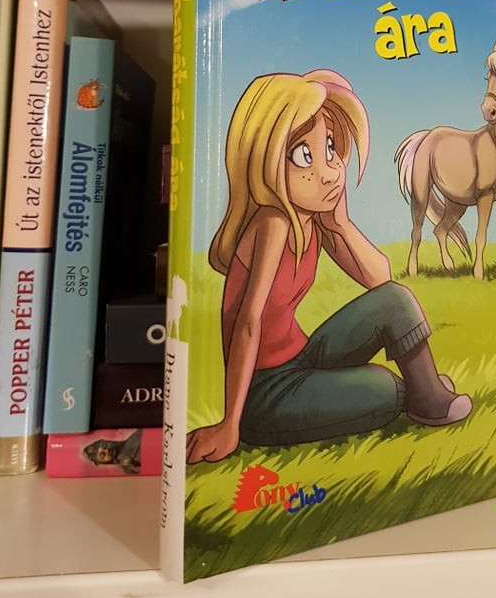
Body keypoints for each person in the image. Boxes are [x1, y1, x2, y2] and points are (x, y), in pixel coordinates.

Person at [185, 69, 472, 465]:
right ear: (265, 160)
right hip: (265, 395)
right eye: (304, 155)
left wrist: (340, 223)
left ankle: (428, 396)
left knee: (396, 300)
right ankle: (421, 391)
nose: (328, 170)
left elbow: (381, 280)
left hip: (302, 358)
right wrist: (229, 423)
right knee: (385, 388)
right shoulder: (273, 222)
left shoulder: (314, 220)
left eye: (331, 148)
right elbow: (248, 322)